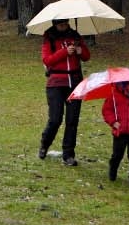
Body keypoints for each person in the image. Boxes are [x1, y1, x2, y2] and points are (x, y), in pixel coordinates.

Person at [38, 18, 90, 166]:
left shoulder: (76, 36)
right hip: (56, 83)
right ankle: (44, 144)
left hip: (74, 82)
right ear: (55, 25)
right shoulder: (49, 39)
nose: (64, 26)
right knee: (55, 119)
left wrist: (81, 51)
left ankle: (68, 154)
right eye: (61, 24)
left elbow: (86, 57)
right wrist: (64, 52)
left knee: (72, 120)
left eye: (65, 23)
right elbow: (47, 60)